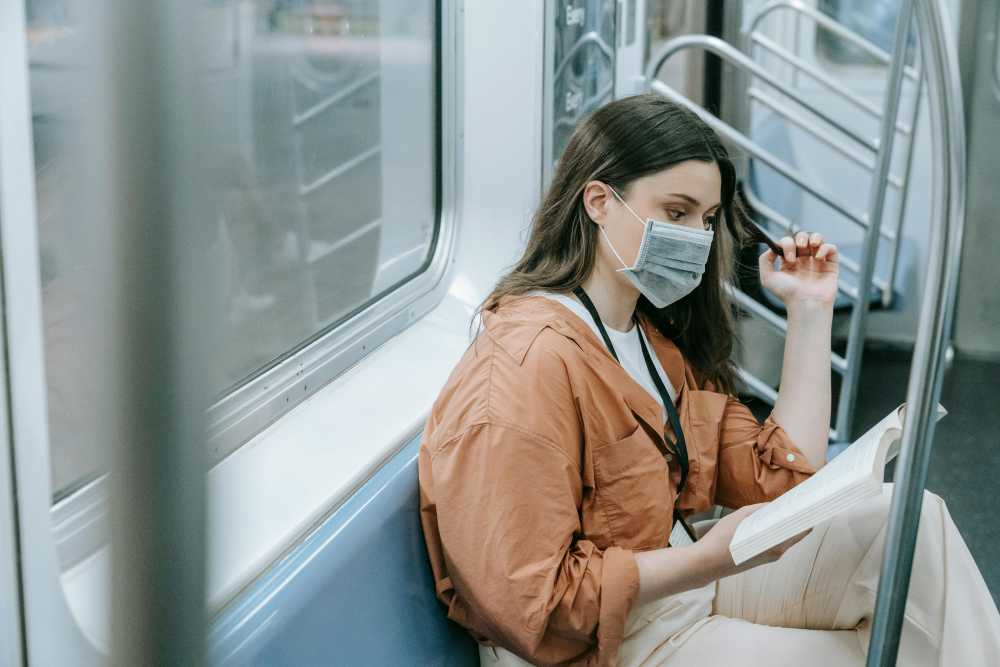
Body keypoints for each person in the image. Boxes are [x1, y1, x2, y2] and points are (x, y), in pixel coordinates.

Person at [417, 94, 1000, 666]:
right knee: (896, 652)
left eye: (709, 218)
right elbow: (536, 605)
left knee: (913, 521)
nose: (697, 236)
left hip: (680, 589)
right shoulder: (526, 365)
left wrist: (810, 310)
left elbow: (779, 478)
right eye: (676, 213)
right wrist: (713, 559)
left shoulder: (648, 343)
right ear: (598, 201)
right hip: (608, 643)